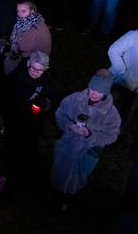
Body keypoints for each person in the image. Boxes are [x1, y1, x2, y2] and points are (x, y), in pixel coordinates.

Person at [51, 70, 122, 208]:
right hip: (67, 145)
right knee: (58, 173)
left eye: (99, 91)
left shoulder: (111, 114)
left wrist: (90, 134)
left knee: (76, 179)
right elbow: (60, 113)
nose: (95, 94)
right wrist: (69, 125)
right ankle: (54, 194)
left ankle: (68, 200)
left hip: (86, 151)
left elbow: (112, 135)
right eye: (93, 89)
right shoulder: (75, 98)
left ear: (105, 93)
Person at [3, 0, 52, 75]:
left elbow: (44, 53)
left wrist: (27, 60)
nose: (19, 14)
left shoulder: (40, 29)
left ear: (32, 11)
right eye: (18, 11)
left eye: (23, 11)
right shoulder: (19, 22)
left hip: (28, 63)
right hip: (15, 56)